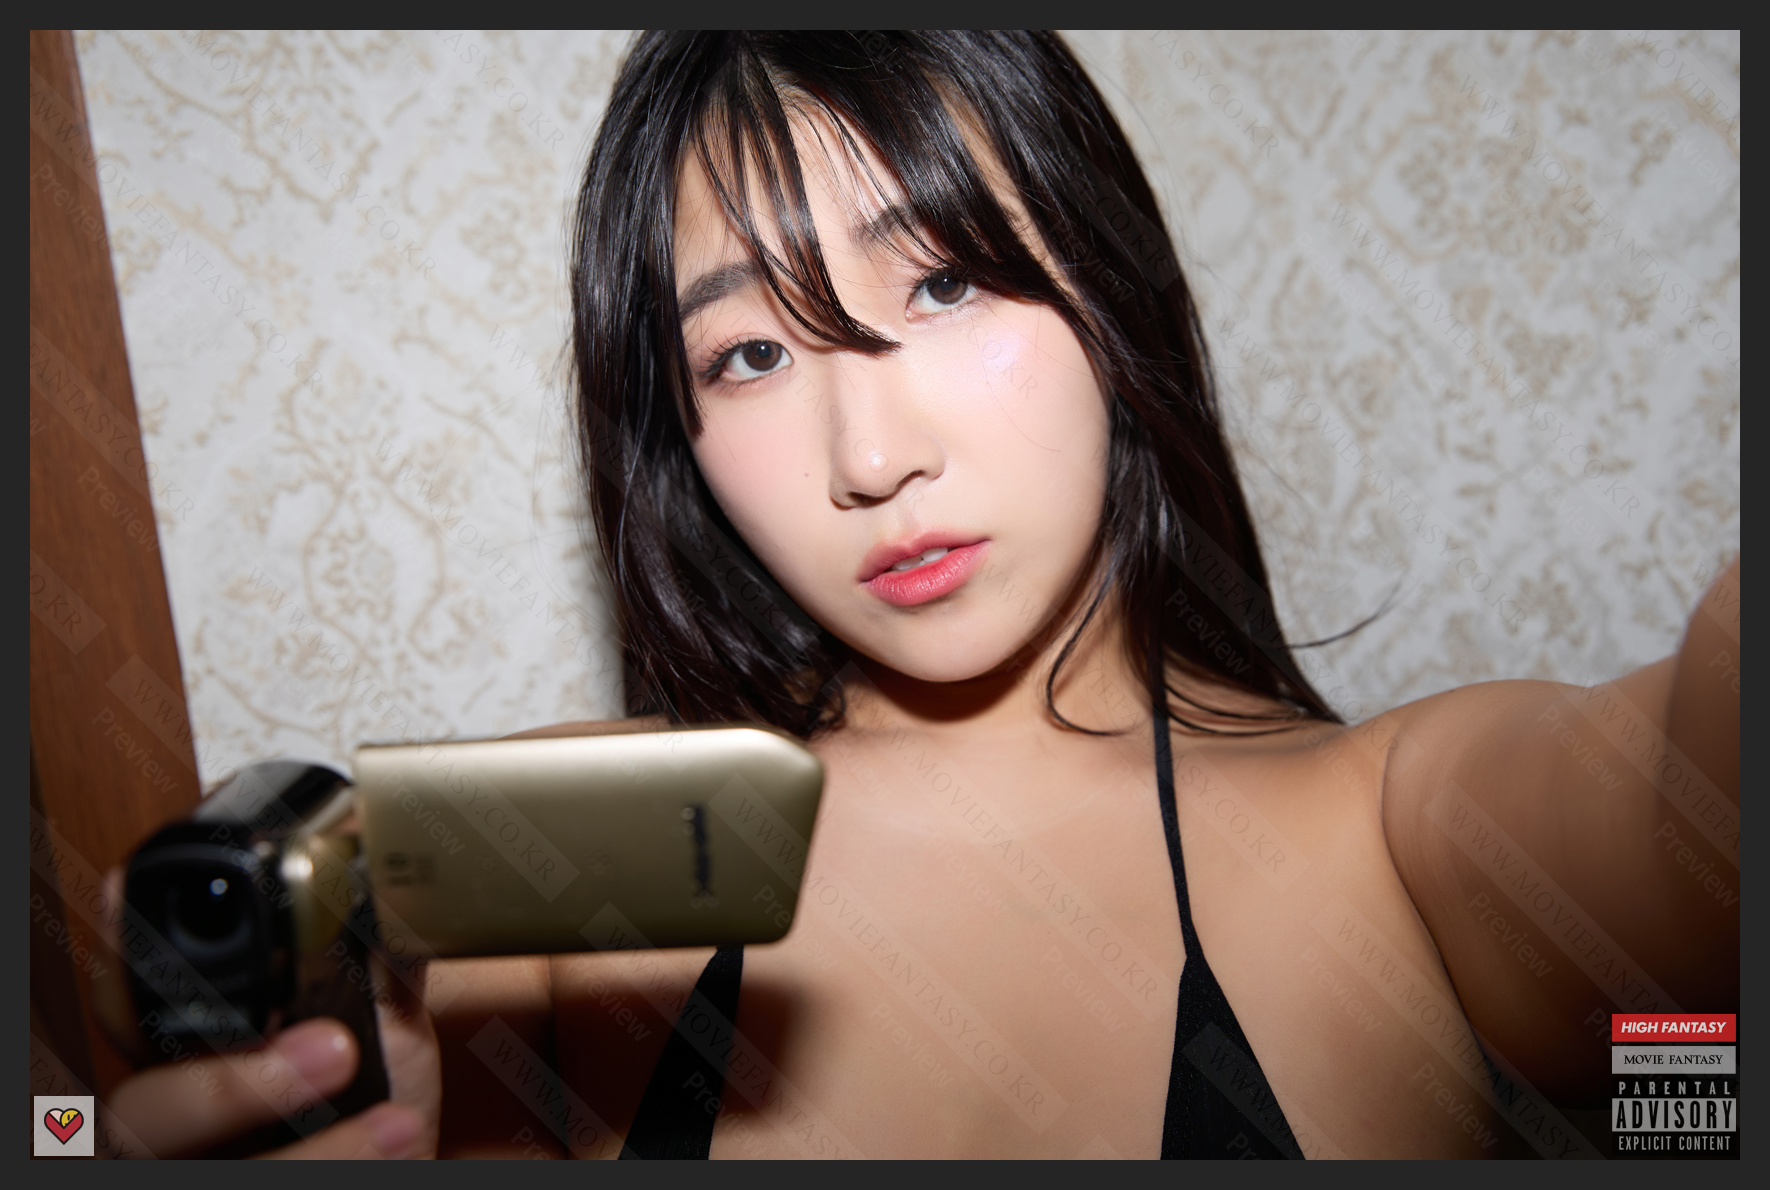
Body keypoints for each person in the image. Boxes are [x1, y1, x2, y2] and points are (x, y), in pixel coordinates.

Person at [102, 31, 1739, 1159]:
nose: (870, 456)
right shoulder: (547, 867)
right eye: (748, 354)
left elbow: (1683, 809)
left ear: (1108, 283)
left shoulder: (1392, 825)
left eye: (942, 281)